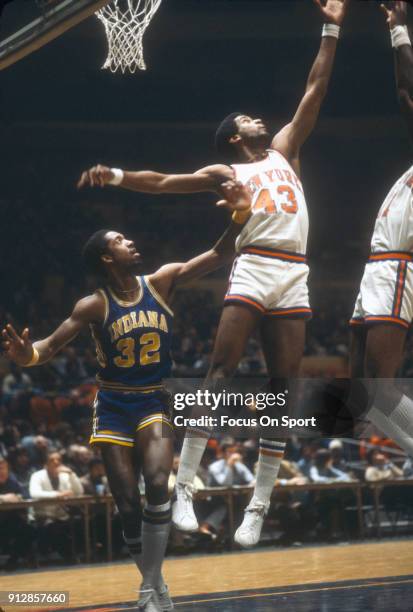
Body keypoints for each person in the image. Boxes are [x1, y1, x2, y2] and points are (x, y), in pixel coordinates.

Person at [77, 0, 349, 548]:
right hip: (252, 266)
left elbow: (314, 91)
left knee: (283, 390)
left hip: (294, 273)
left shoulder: (284, 150)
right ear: (232, 135)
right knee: (220, 370)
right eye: (249, 117)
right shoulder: (228, 169)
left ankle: (259, 506)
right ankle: (182, 489)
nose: (260, 119)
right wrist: (118, 175)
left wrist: (331, 29)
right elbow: (162, 182)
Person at [2, 182, 250, 612]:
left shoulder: (164, 280)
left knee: (157, 484)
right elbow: (50, 347)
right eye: (119, 240)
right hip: (113, 405)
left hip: (154, 400)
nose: (129, 241)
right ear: (105, 257)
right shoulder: (93, 305)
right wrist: (27, 355)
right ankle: (156, 587)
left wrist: (239, 216)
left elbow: (218, 255)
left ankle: (150, 588)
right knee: (128, 504)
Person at [349, 1, 413, 457]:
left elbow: (408, 93)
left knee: (383, 391)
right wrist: (396, 32)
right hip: (378, 267)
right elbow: (407, 94)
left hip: (397, 265)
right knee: (363, 399)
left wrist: (401, 33)